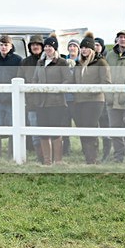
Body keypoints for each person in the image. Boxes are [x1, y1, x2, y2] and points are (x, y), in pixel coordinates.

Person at [32, 34, 73, 165]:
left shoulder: (62, 62)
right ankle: (47, 161)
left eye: (50, 46)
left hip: (56, 103)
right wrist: (37, 90)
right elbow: (34, 79)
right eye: (46, 46)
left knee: (56, 132)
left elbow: (68, 79)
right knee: (43, 132)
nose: (47, 48)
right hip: (42, 103)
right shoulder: (40, 63)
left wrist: (56, 89)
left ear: (55, 48)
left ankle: (58, 160)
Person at [73, 32, 111, 164]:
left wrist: (91, 90)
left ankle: (92, 158)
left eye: (86, 47)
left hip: (95, 101)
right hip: (79, 101)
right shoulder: (78, 64)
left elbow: (106, 82)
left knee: (90, 126)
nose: (84, 50)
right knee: (82, 128)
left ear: (92, 49)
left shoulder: (101, 62)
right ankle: (88, 157)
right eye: (82, 48)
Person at [17, 34, 45, 162]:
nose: (35, 47)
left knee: (48, 131)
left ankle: (49, 157)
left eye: (38, 44)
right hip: (32, 102)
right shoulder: (25, 62)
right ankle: (40, 157)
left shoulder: (48, 60)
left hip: (47, 103)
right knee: (35, 132)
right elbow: (19, 79)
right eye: (33, 44)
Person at [105, 29, 125, 163]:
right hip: (112, 99)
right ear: (117, 39)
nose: (123, 39)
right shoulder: (110, 56)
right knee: (114, 128)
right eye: (120, 37)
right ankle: (118, 157)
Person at [94, 37, 112, 161]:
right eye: (94, 45)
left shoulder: (106, 59)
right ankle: (96, 152)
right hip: (95, 99)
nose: (96, 47)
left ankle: (106, 152)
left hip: (105, 97)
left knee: (105, 125)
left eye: (98, 45)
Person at [61, 38, 80, 156]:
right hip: (65, 99)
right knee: (64, 124)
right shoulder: (63, 61)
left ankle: (86, 149)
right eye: (70, 46)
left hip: (77, 100)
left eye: (74, 46)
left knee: (80, 124)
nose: (72, 48)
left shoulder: (82, 61)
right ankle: (65, 150)